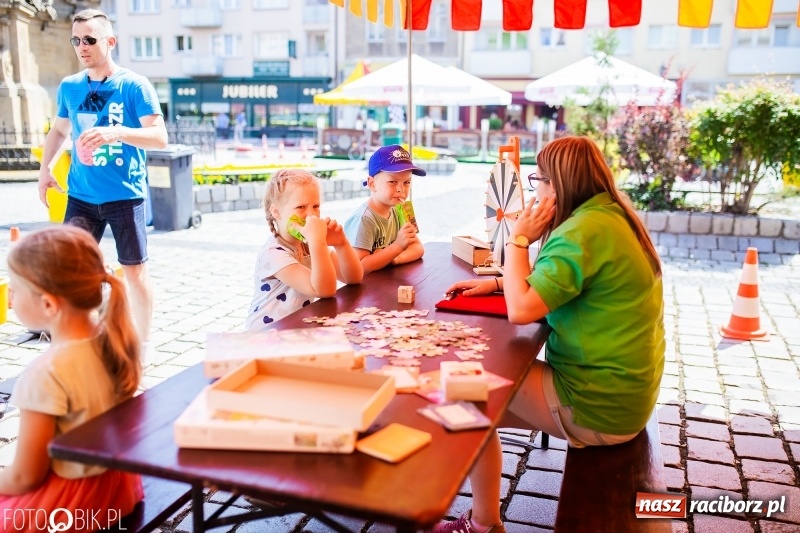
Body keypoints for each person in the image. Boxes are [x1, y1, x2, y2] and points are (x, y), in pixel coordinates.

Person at [435, 136, 665, 533]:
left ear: (558, 184)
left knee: (462, 398)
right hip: (624, 393)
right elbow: (553, 285)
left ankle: (483, 524)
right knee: (474, 393)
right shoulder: (608, 213)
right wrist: (497, 284)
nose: (534, 190)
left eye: (537, 180)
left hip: (597, 406)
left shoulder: (580, 233)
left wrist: (519, 238)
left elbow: (522, 310)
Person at [36, 8, 167, 363]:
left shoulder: (134, 85)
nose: (82, 46)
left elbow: (159, 137)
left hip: (125, 195)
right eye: (76, 40)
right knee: (67, 269)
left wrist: (118, 131)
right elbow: (61, 130)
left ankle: (142, 343)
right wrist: (45, 168)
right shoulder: (70, 86)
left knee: (135, 271)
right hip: (80, 195)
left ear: (110, 41)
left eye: (90, 39)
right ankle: (71, 340)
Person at [0, 226, 143, 529]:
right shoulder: (112, 342)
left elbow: (25, 476)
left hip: (76, 506)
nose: (10, 298)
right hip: (116, 490)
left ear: (48, 304)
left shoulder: (45, 373)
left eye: (14, 289)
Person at [245, 169, 363, 330]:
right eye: (301, 207)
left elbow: (353, 277)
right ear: (276, 212)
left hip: (296, 328)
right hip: (266, 334)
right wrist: (317, 242)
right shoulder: (273, 253)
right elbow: (324, 290)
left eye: (316, 206)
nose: (311, 215)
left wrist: (341, 244)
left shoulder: (309, 244)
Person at [343, 145, 426, 274]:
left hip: (387, 284)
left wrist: (395, 258)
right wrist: (397, 247)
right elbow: (359, 267)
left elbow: (418, 248)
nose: (401, 189)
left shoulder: (399, 210)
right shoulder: (364, 219)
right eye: (392, 182)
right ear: (372, 184)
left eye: (407, 182)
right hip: (363, 290)